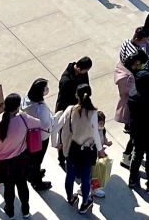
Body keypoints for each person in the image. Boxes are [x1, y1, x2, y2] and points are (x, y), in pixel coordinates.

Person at [56, 84, 104, 212]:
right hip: (87, 151)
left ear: (77, 96)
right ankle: (85, 203)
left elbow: (57, 126)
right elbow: (95, 134)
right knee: (85, 178)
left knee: (70, 176)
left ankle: (70, 198)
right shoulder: (93, 113)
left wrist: (56, 143)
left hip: (73, 150)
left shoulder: (70, 110)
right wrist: (100, 150)